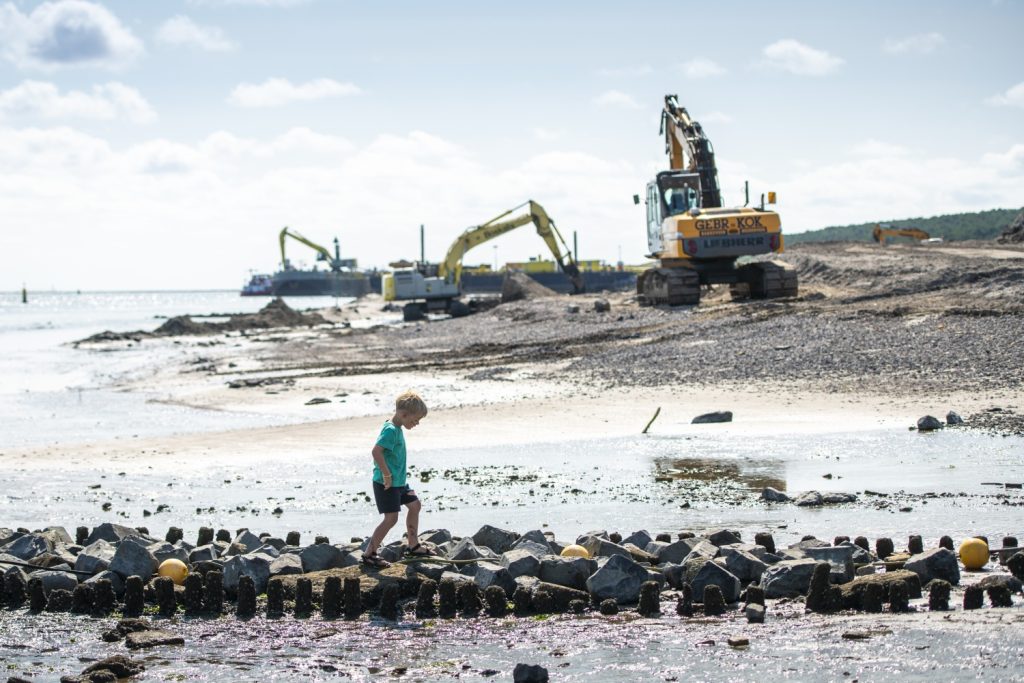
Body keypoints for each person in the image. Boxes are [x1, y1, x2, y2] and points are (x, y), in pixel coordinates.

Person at [362, 390, 430, 568]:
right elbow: (376, 452)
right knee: (391, 519)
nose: (416, 424)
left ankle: (413, 545)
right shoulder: (391, 430)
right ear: (403, 414)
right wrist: (386, 475)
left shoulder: (397, 427)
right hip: (387, 483)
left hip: (399, 482)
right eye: (415, 420)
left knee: (415, 506)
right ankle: (369, 554)